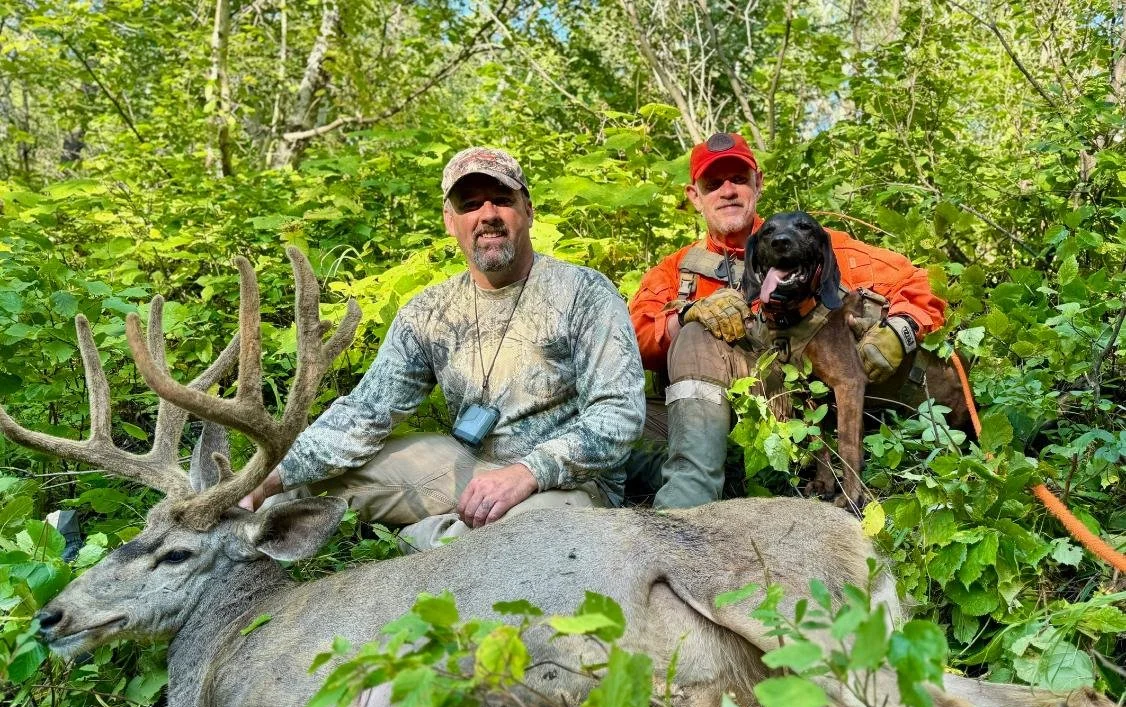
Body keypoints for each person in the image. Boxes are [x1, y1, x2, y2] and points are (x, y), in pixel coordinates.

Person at [241, 147, 645, 547]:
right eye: (470, 205)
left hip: (567, 482)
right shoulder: (430, 312)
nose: (487, 215)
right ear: (450, 221)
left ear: (528, 209)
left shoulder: (585, 293)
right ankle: (226, 553)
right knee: (296, 491)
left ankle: (422, 544)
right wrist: (267, 477)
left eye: (502, 200)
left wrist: (527, 472)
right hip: (465, 463)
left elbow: (619, 413)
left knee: (519, 542)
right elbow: (366, 412)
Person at [630, 132, 946, 509]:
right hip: (710, 420)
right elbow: (631, 339)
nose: (728, 191)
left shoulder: (817, 246)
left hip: (801, 409)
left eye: (739, 180)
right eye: (713, 184)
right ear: (694, 196)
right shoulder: (675, 271)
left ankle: (740, 485)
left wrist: (901, 330)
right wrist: (686, 315)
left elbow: (920, 282)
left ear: (758, 184)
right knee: (620, 424)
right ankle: (690, 497)